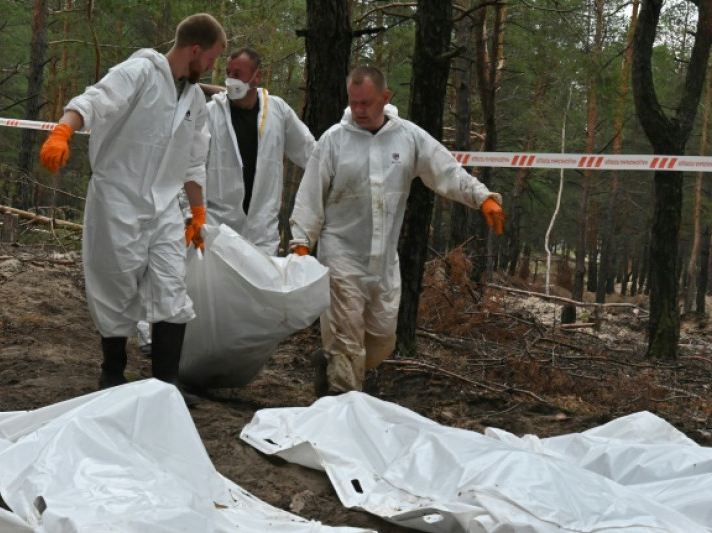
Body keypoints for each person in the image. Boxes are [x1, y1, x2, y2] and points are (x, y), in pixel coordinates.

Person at [38, 13, 226, 407]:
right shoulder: (141, 72)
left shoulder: (194, 99)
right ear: (195, 50)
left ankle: (166, 383)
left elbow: (194, 163)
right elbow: (95, 99)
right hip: (119, 198)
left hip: (164, 206)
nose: (211, 68)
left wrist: (198, 212)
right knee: (116, 283)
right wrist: (64, 129)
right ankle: (113, 373)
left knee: (172, 284)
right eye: (209, 60)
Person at [289, 66, 506, 396]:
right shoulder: (334, 141)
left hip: (383, 263)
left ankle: (332, 363)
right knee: (347, 342)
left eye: (367, 103)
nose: (359, 110)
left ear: (385, 98)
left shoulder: (409, 138)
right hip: (341, 256)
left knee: (382, 340)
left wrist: (482, 197)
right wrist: (301, 243)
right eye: (354, 103)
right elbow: (310, 195)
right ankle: (341, 412)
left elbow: (445, 169)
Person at [204, 47, 316, 255]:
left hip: (262, 229)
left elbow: (310, 153)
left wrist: (338, 177)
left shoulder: (277, 111)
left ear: (257, 77)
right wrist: (192, 215)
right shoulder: (211, 114)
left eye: (237, 74)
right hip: (217, 226)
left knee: (260, 285)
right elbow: (193, 166)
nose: (230, 80)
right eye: (228, 73)